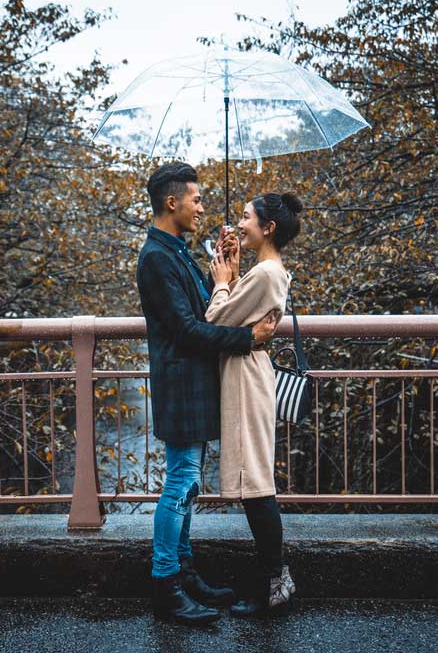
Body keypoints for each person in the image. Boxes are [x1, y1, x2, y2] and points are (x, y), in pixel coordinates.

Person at [136, 161, 278, 625]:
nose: (201, 207)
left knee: (187, 482)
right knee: (179, 483)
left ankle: (185, 572)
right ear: (172, 202)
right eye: (196, 199)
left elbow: (210, 310)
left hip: (193, 384)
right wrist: (247, 339)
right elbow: (188, 330)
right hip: (181, 385)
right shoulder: (156, 257)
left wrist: (225, 266)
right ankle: (166, 586)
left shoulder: (176, 251)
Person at [206, 191, 304, 617]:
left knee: (257, 485)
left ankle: (276, 582)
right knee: (255, 483)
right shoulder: (266, 271)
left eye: (246, 218)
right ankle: (272, 579)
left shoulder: (265, 274)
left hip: (247, 378)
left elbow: (215, 320)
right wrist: (235, 273)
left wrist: (223, 282)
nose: (239, 224)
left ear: (268, 228)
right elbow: (240, 316)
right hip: (249, 374)